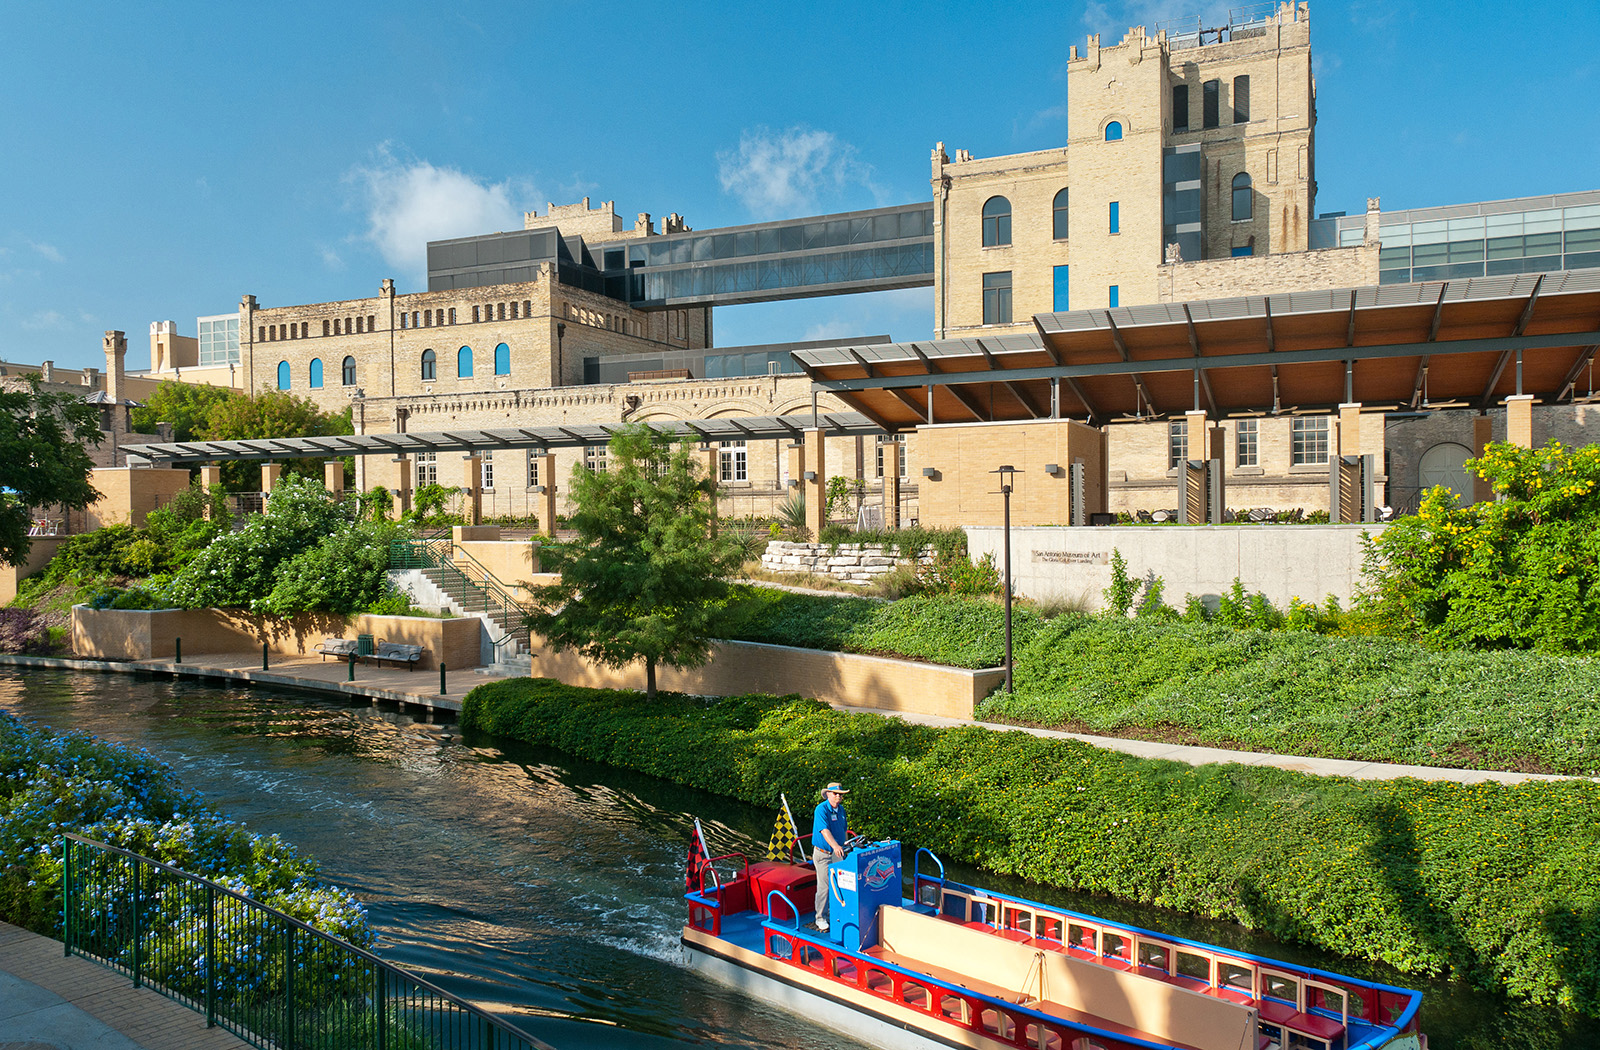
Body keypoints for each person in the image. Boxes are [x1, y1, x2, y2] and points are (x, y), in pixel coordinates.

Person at [811, 782, 849, 931]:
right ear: (828, 794)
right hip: (824, 854)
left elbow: (843, 830)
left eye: (840, 794)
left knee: (842, 882)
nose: (838, 796)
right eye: (835, 794)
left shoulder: (842, 810)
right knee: (825, 886)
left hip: (838, 852)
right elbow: (824, 830)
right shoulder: (821, 809)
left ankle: (837, 912)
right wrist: (835, 846)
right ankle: (820, 918)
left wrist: (844, 845)